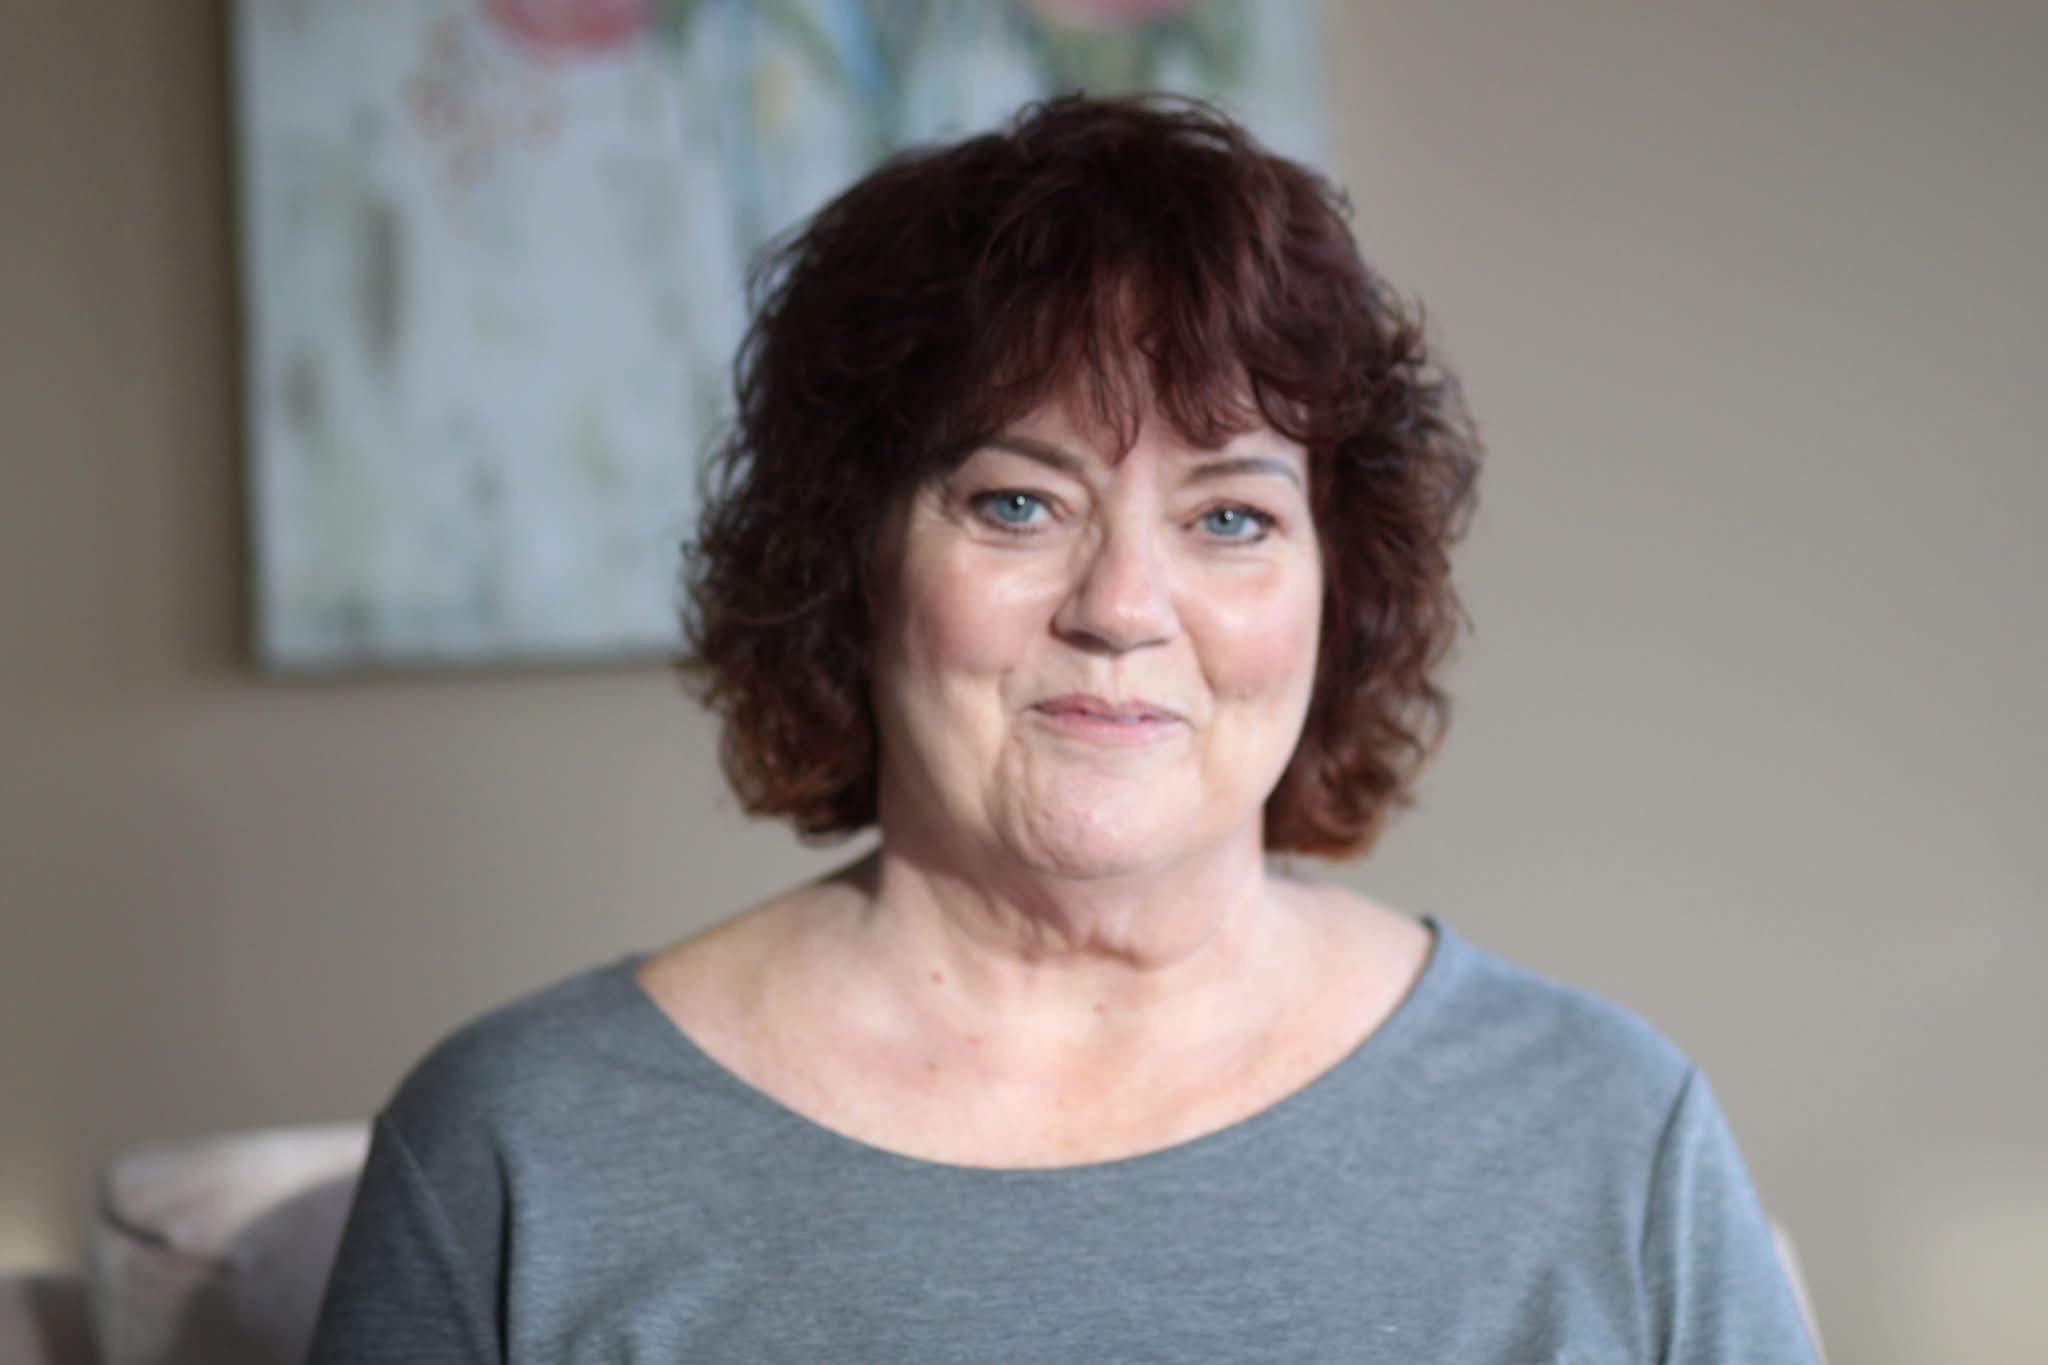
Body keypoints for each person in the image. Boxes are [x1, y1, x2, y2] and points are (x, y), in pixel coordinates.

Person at [310, 95, 1818, 1363]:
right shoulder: (524, 1150)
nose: (1123, 605)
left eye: (1230, 514)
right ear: (856, 554)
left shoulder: (1608, 1135)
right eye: (1019, 502)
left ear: (1335, 588)